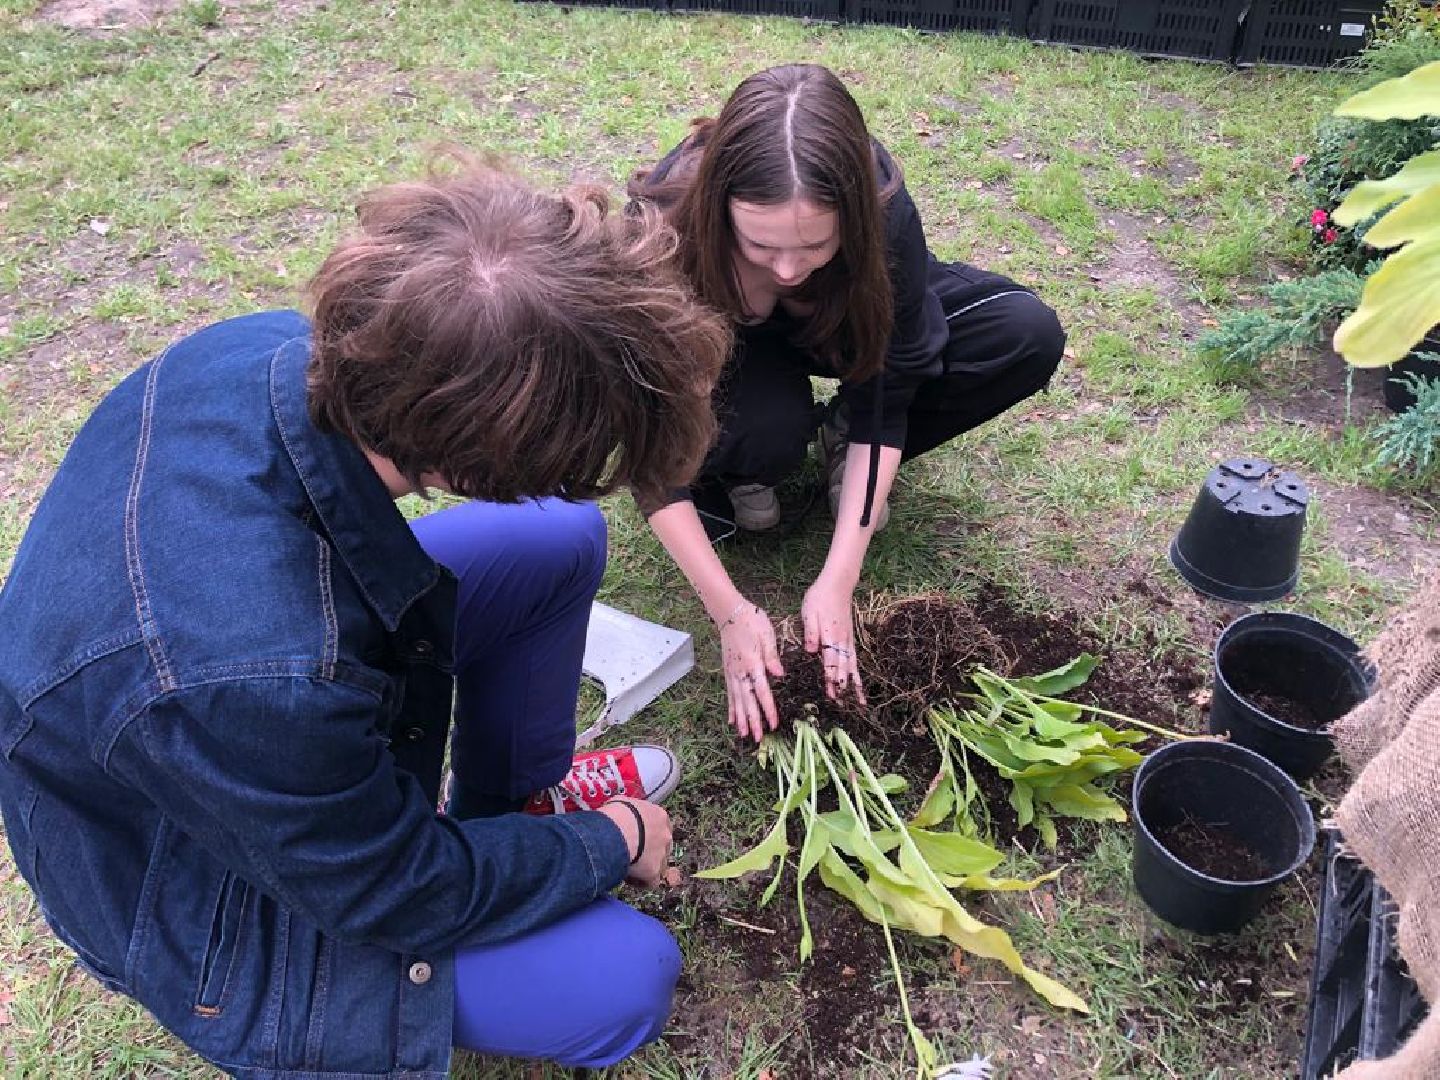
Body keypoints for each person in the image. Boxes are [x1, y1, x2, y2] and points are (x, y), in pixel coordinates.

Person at [0, 155, 732, 1077]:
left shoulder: (267, 348)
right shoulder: (266, 683)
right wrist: (611, 839)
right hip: (175, 863)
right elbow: (395, 892)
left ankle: (514, 808)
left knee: (558, 540)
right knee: (624, 976)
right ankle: (524, 848)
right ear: (477, 460)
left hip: (209, 701)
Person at [628, 63, 1066, 743]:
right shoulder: (666, 232)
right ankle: (747, 458)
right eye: (761, 245)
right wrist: (730, 613)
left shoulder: (884, 214)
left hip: (842, 320)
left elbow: (890, 392)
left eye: (814, 246)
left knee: (1023, 331)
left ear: (854, 218)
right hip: (738, 352)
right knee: (769, 431)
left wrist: (837, 581)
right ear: (721, 208)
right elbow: (650, 447)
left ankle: (841, 440)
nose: (786, 268)